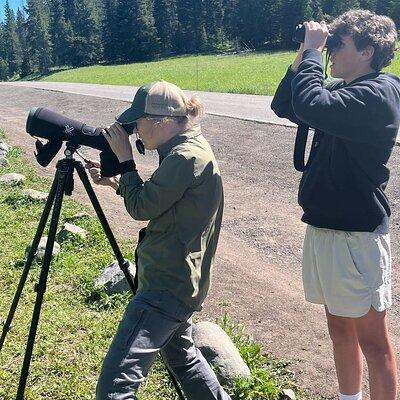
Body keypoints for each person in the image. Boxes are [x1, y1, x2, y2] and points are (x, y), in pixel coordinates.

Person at [271, 10, 400, 400]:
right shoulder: (345, 90)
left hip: (356, 236)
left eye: (337, 44)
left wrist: (313, 50)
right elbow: (285, 104)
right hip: (326, 228)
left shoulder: (378, 94)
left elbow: (310, 105)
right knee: (339, 330)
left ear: (366, 51)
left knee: (374, 344)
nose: (329, 53)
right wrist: (303, 52)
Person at [87, 80, 231, 400]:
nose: (135, 130)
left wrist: (126, 161)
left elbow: (142, 207)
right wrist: (116, 182)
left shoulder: (184, 157)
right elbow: (162, 199)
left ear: (160, 121)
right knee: (184, 360)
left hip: (165, 286)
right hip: (180, 280)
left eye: (138, 122)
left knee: (115, 387)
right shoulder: (188, 147)